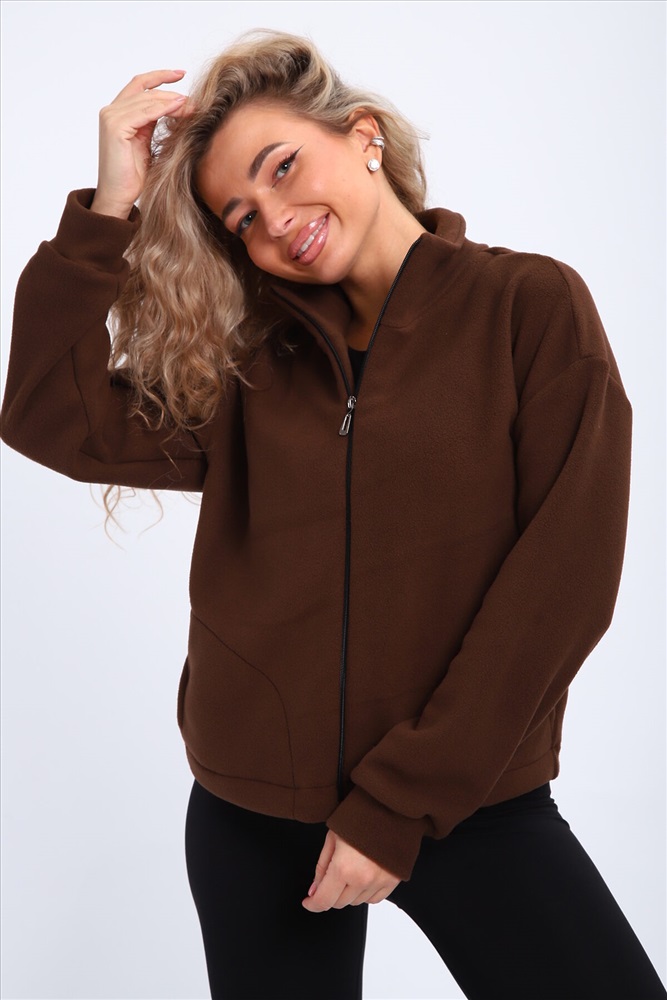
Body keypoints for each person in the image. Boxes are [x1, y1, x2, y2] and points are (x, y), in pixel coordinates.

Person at [1, 29, 664, 1000]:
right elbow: (45, 412)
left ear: (360, 135)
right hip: (253, 816)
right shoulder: (251, 368)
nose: (275, 219)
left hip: (466, 800)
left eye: (281, 167)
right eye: (240, 216)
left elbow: (562, 584)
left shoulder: (527, 307)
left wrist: (396, 807)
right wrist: (110, 208)